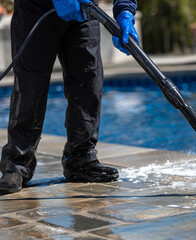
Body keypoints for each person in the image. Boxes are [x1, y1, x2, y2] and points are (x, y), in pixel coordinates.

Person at [0, 0, 139, 193]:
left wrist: (125, 12)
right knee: (30, 85)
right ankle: (17, 162)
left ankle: (81, 159)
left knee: (89, 79)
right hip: (35, 8)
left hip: (84, 8)